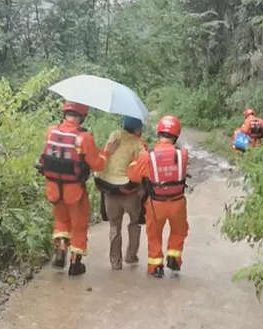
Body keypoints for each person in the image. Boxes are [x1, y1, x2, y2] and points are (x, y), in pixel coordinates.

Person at [37, 101, 119, 276]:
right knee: (79, 225)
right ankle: (75, 263)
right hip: (75, 191)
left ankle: (60, 251)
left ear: (65, 112)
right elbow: (97, 165)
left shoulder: (51, 131)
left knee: (61, 221)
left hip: (53, 188)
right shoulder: (84, 138)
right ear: (82, 116)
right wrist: (106, 152)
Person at [127, 115, 189, 278]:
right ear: (176, 135)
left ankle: (156, 267)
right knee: (179, 231)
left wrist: (134, 162)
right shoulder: (183, 154)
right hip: (178, 202)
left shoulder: (147, 156)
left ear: (158, 132)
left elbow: (134, 177)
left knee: (154, 234)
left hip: (156, 203)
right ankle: (174, 258)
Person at [94, 116, 147, 270]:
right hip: (128, 191)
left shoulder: (114, 135)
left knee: (114, 226)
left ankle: (115, 261)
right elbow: (143, 167)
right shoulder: (138, 144)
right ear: (138, 129)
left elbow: (106, 154)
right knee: (134, 222)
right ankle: (131, 256)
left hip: (109, 189)